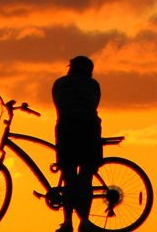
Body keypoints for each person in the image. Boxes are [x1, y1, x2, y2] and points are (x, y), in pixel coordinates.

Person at [52, 55, 103, 232]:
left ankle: (67, 223)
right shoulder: (93, 85)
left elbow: (58, 105)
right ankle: (85, 222)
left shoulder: (59, 84)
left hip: (66, 129)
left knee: (69, 178)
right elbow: (95, 103)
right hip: (90, 129)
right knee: (86, 177)